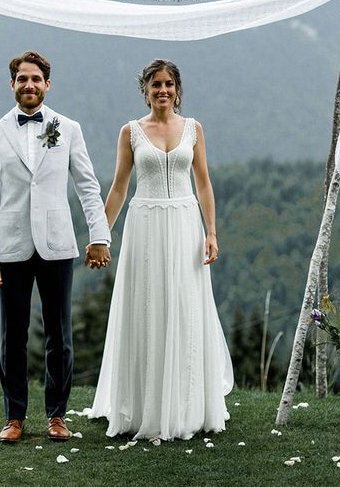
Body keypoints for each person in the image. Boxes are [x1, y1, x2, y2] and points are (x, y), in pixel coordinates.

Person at [90, 59, 233, 440]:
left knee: (185, 308)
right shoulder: (131, 132)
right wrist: (100, 233)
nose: (163, 90)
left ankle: (186, 404)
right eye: (156, 84)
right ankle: (143, 406)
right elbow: (119, 187)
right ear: (145, 89)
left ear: (178, 89)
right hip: (145, 226)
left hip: (186, 224)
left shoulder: (194, 129)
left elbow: (203, 183)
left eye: (169, 84)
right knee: (148, 307)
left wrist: (212, 232)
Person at [0, 50, 111, 444]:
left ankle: (57, 416)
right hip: (12, 247)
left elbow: (87, 185)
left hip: (57, 246)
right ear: (12, 84)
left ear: (47, 84)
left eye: (36, 79)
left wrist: (99, 235)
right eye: (22, 79)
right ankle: (14, 417)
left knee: (59, 335)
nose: (29, 85)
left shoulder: (67, 128)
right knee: (12, 336)